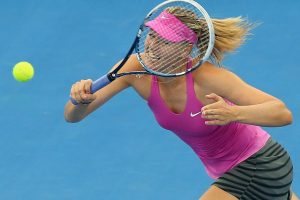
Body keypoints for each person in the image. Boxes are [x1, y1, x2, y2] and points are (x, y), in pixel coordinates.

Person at [64, 6, 298, 200]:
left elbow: (282, 113)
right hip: (234, 172)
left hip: (260, 164)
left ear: (185, 49)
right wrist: (80, 100)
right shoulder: (133, 69)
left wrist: (233, 114)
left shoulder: (208, 78)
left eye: (164, 41)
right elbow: (72, 116)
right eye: (152, 36)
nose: (153, 45)